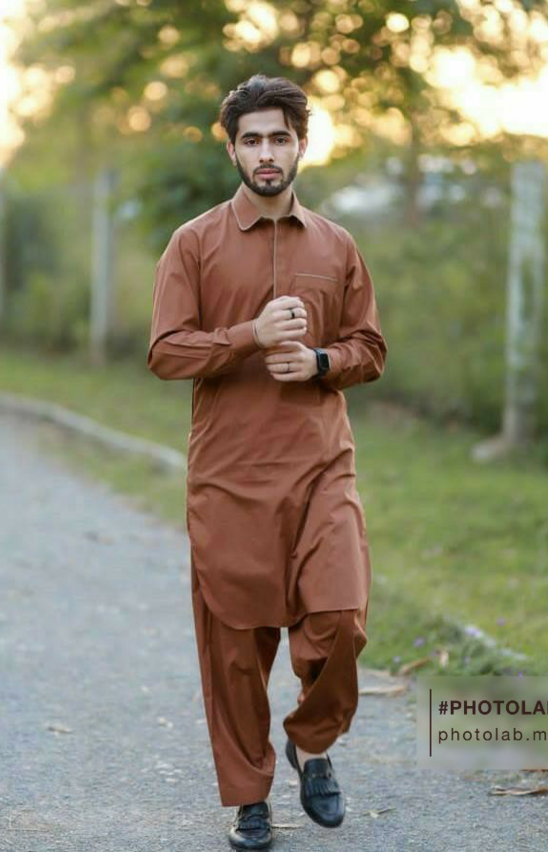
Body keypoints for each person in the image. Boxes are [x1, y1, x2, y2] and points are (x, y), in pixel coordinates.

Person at [147, 74, 387, 850]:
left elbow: (369, 348)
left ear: (301, 145)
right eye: (251, 140)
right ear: (233, 151)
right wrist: (248, 336)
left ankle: (312, 742)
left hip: (322, 467)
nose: (266, 153)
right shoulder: (194, 244)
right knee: (236, 650)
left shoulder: (337, 245)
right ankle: (250, 800)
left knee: (341, 619)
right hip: (230, 476)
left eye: (279, 137)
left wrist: (320, 361)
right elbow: (165, 352)